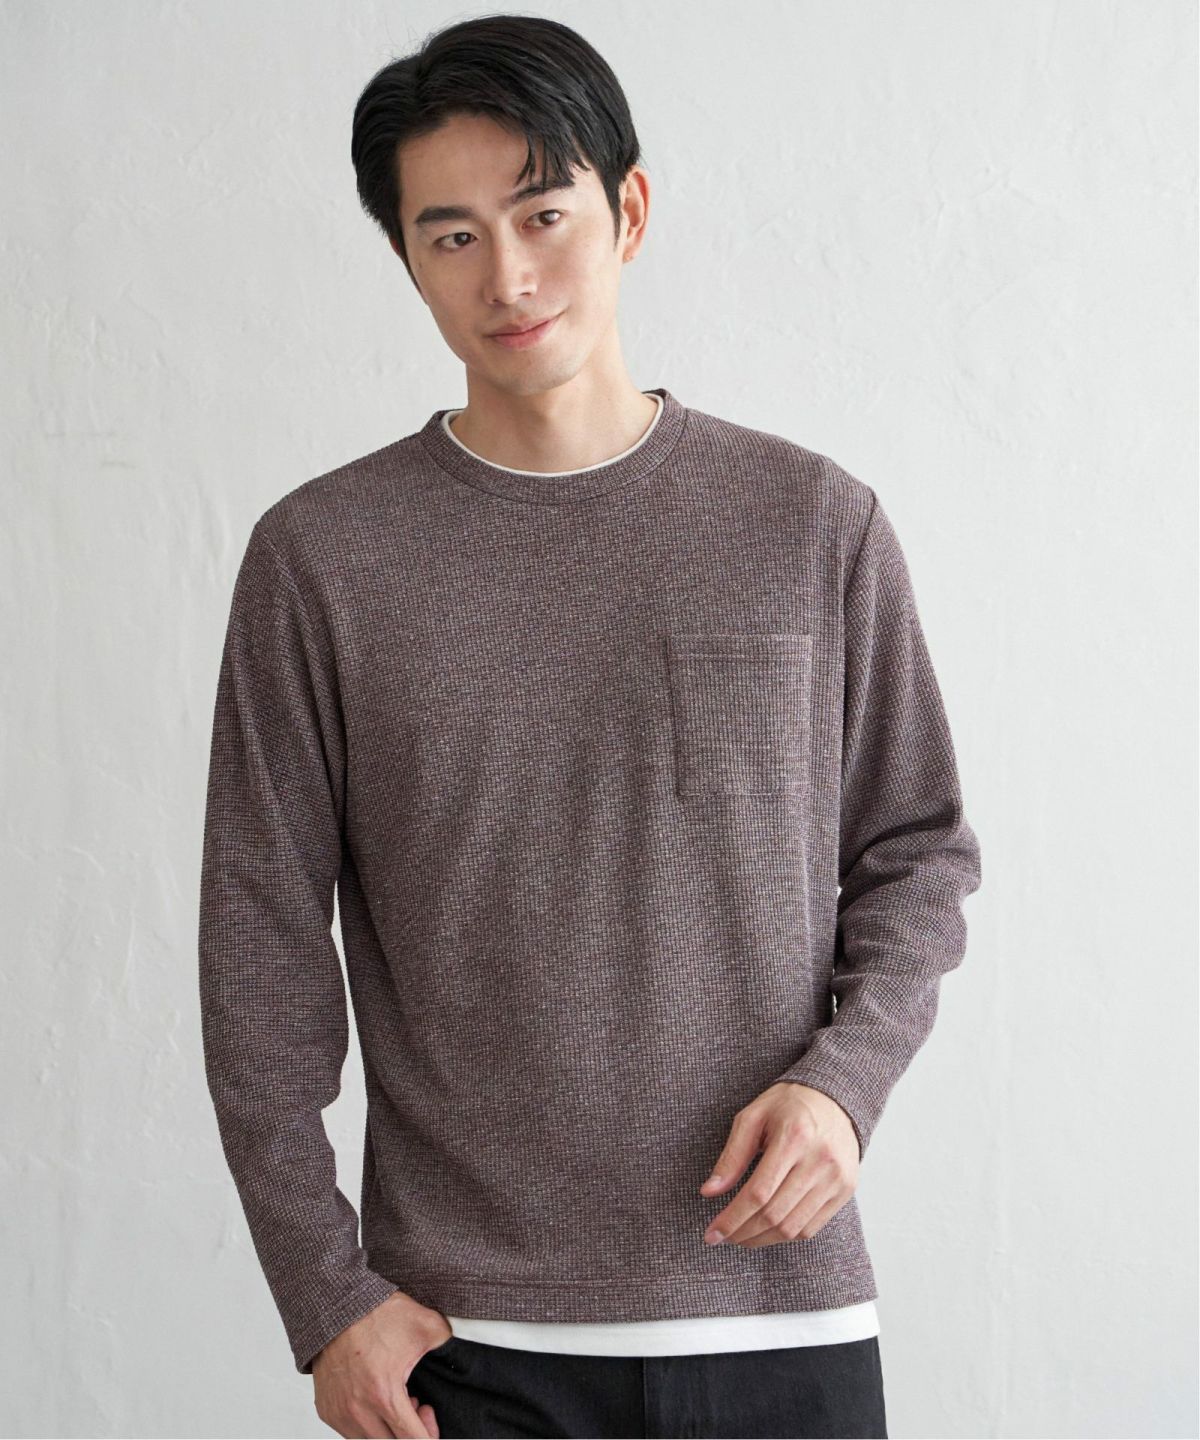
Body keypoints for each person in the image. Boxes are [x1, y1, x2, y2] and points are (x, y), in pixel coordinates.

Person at [197, 14, 981, 1439]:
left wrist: (845, 1086)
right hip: (463, 1347)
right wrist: (323, 1294)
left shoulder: (811, 523)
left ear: (628, 210)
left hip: (780, 1322)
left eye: (541, 214)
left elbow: (918, 852)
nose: (505, 276)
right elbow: (258, 950)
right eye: (450, 236)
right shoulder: (322, 559)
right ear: (407, 260)